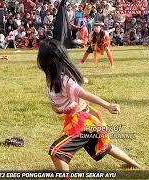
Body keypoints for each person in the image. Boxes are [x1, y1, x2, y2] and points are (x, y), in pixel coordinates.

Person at [37, 39, 141, 171]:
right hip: (84, 118)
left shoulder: (64, 80)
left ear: (47, 61)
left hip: (82, 123)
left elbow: (84, 94)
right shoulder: (52, 77)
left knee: (57, 153)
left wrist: (107, 105)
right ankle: (133, 164)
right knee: (105, 147)